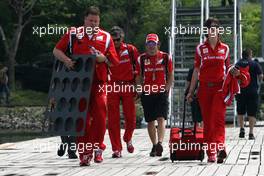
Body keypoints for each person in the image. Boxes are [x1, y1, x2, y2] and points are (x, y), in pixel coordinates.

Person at [53, 6, 119, 166]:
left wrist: (104, 58)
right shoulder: (73, 34)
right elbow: (56, 50)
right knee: (81, 119)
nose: (93, 24)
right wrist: (67, 61)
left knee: (101, 116)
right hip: (79, 83)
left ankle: (98, 148)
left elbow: (114, 62)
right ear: (85, 20)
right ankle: (84, 153)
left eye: (96, 21)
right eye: (91, 21)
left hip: (99, 82)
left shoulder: (106, 36)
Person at [186, 18, 241, 163]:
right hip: (204, 89)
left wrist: (235, 73)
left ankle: (220, 146)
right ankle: (211, 151)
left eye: (215, 27)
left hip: (220, 89)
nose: (213, 29)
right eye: (210, 27)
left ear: (219, 30)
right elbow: (196, 71)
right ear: (206, 30)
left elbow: (228, 69)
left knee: (218, 119)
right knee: (208, 122)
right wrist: (191, 91)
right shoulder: (200, 49)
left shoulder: (225, 48)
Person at [135, 33, 173, 157]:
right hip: (147, 92)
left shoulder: (166, 57)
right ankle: (154, 145)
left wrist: (167, 89)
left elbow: (170, 74)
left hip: (161, 92)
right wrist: (140, 90)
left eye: (153, 44)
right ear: (146, 45)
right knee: (150, 121)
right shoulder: (141, 59)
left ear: (158, 44)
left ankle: (160, 143)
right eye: (149, 44)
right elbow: (138, 76)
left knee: (161, 118)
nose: (151, 46)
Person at [107, 26, 139, 158]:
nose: (115, 42)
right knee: (113, 120)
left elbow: (138, 70)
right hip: (112, 86)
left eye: (118, 39)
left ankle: (127, 137)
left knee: (131, 118)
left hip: (128, 86)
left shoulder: (131, 50)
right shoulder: (107, 51)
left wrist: (138, 87)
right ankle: (116, 148)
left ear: (122, 38)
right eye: (113, 40)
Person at [236, 49, 263, 140]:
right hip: (252, 91)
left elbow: (234, 77)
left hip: (240, 91)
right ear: (250, 55)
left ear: (242, 55)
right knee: (252, 112)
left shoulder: (237, 64)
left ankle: (242, 129)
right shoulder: (255, 64)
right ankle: (251, 133)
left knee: (240, 111)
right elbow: (260, 77)